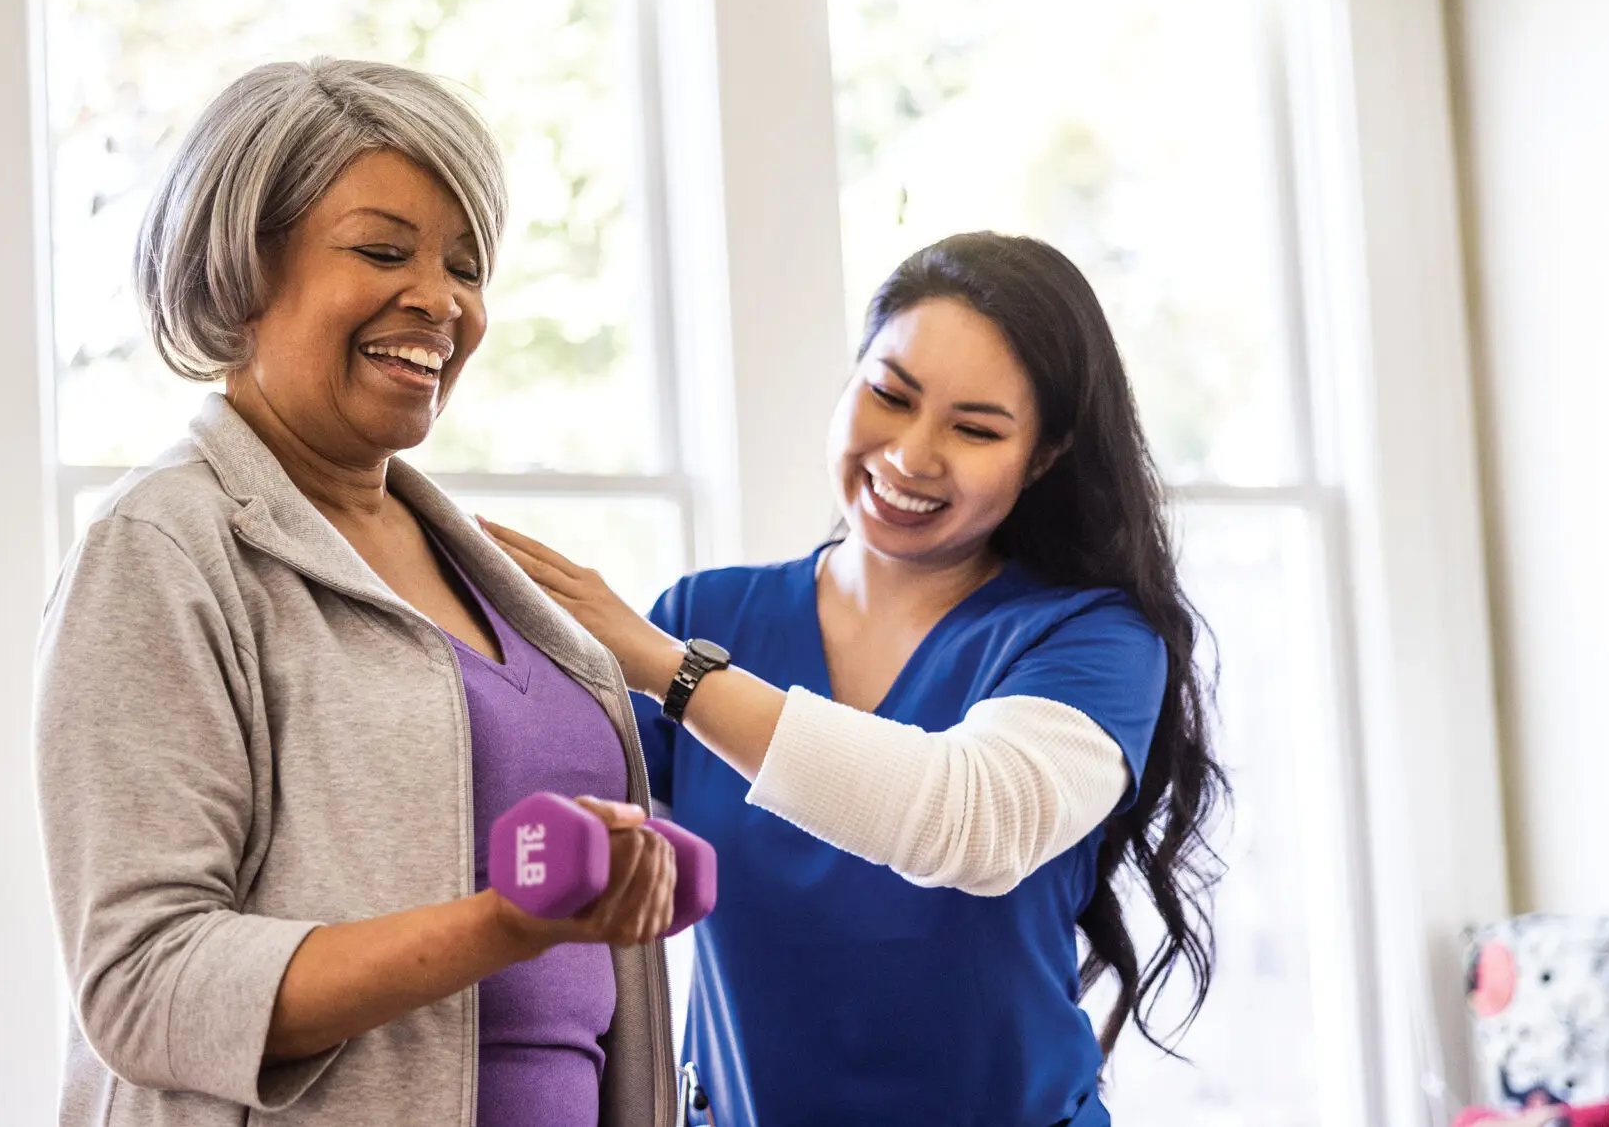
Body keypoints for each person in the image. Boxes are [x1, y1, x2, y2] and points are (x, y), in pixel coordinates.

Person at [35, 58, 685, 1127]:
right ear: (243, 270)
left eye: (465, 266)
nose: (440, 300)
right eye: (384, 250)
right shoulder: (161, 545)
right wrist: (504, 922)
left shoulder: (490, 568)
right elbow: (144, 981)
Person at [486, 232, 1226, 1126]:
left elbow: (972, 820)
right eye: (890, 394)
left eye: (975, 427)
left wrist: (666, 671)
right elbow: (544, 842)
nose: (912, 455)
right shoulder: (708, 615)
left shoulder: (1092, 637)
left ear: (1045, 455)